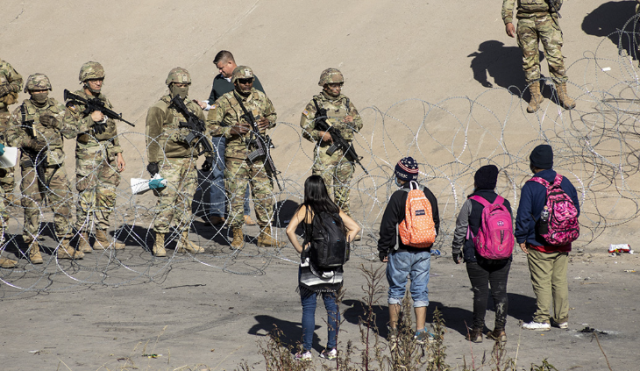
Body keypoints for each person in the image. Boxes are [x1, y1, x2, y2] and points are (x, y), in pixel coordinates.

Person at [8, 73, 84, 263]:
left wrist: (56, 123)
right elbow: (10, 136)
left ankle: (64, 245)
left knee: (63, 203)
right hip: (31, 163)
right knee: (32, 205)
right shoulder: (21, 112)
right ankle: (32, 246)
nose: (40, 93)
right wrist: (29, 143)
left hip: (55, 163)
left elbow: (74, 130)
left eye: (43, 90)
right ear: (29, 92)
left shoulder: (58, 108)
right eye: (36, 90)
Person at [207, 65, 283, 249]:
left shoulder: (260, 97)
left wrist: (268, 121)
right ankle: (237, 235)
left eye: (250, 81)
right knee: (237, 195)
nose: (247, 84)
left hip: (258, 153)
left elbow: (272, 114)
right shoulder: (225, 101)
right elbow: (211, 125)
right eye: (243, 81)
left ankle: (265, 234)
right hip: (236, 155)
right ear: (235, 82)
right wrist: (230, 130)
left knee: (263, 193)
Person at [285, 175, 360, 361]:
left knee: (309, 308)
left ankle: (307, 351)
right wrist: (341, 245)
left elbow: (289, 230)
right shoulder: (333, 208)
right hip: (333, 265)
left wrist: (301, 249)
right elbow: (355, 228)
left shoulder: (306, 209)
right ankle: (331, 349)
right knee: (332, 307)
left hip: (311, 263)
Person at [63, 61, 126, 252]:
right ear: (85, 81)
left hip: (107, 154)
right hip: (88, 154)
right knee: (86, 197)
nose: (98, 83)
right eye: (94, 79)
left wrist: (118, 152)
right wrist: (91, 119)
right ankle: (83, 237)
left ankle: (101, 237)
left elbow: (112, 128)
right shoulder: (75, 102)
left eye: (101, 79)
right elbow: (68, 130)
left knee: (107, 195)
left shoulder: (104, 100)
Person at [516, 144, 579, 330]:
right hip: (563, 242)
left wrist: (521, 237)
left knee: (542, 281)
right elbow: (576, 210)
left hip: (539, 242)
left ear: (533, 164)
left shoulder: (531, 186)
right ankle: (561, 318)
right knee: (559, 281)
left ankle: (542, 318)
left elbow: (524, 215)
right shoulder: (565, 182)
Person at [197, 50, 264, 227]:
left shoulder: (248, 79)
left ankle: (244, 213)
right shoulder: (218, 81)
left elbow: (261, 101)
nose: (220, 72)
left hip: (243, 136)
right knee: (218, 171)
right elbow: (213, 101)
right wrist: (205, 105)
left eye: (221, 68)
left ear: (230, 63)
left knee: (242, 172)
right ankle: (216, 213)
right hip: (222, 132)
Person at [377, 157, 440, 345]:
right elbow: (435, 222)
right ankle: (420, 332)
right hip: (423, 251)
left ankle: (394, 331)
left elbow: (387, 226)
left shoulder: (398, 197)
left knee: (396, 290)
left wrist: (384, 250)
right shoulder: (427, 194)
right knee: (420, 291)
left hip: (400, 251)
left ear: (400, 176)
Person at [145, 67, 207, 257]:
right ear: (171, 85)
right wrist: (153, 161)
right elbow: (152, 135)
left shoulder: (193, 108)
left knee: (186, 202)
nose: (183, 88)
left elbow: (202, 129)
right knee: (166, 201)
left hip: (188, 161)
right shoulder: (160, 107)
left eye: (186, 85)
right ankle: (159, 241)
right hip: (168, 161)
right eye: (179, 85)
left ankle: (184, 239)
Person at [451, 165, 513, 343]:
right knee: (500, 292)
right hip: (502, 256)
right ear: (494, 183)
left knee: (480, 293)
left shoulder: (471, 203)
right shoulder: (504, 203)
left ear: (477, 182)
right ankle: (500, 331)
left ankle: (477, 331)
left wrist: (456, 251)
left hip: (476, 256)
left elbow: (461, 230)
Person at [300, 68, 363, 232]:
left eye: (339, 85)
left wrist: (352, 121)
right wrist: (320, 134)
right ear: (325, 86)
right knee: (323, 193)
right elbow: (306, 129)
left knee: (343, 193)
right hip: (325, 155)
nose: (337, 88)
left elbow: (359, 122)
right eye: (333, 85)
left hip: (345, 154)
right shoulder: (315, 104)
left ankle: (344, 225)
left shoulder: (346, 102)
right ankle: (324, 226)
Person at [502, 0, 576, 113]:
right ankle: (535, 95)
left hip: (547, 17)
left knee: (555, 58)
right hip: (525, 20)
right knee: (529, 61)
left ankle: (562, 94)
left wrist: (555, 6)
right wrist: (508, 20)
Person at [0, 58, 23, 205]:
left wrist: (7, 88)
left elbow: (19, 83)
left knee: (6, 150)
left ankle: (8, 191)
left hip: (2, 115)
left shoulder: (3, 66)